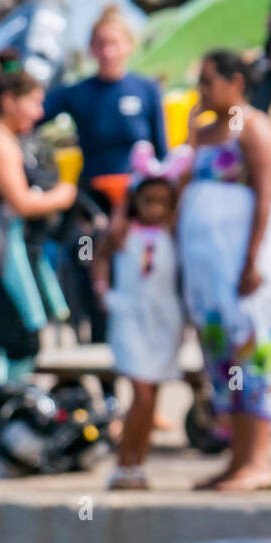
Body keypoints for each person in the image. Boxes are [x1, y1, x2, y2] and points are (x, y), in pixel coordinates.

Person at [177, 49, 271, 492]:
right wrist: (191, 130)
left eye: (208, 80)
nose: (201, 90)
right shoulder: (204, 132)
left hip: (247, 263)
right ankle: (236, 459)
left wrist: (252, 260)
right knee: (223, 358)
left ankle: (258, 461)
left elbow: (264, 194)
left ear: (236, 82)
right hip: (211, 273)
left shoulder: (252, 126)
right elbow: (180, 182)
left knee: (254, 351)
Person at [43, 4, 167, 382]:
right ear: (91, 50)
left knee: (148, 292)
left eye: (114, 43)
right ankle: (107, 394)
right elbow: (27, 114)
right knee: (99, 296)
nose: (107, 51)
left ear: (129, 46)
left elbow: (161, 156)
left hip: (138, 208)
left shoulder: (145, 90)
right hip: (93, 207)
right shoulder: (78, 94)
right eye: (99, 44)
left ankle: (147, 389)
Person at [0, 60, 76, 387]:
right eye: (35, 102)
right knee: (15, 335)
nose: (39, 113)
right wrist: (64, 195)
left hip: (4, 250)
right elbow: (22, 203)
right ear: (10, 100)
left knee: (6, 334)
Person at [92, 142, 190, 490]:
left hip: (163, 320)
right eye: (149, 201)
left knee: (154, 396)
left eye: (163, 202)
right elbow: (99, 257)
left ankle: (139, 464)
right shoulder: (122, 232)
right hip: (131, 315)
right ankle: (123, 463)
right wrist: (103, 290)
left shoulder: (173, 232)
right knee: (142, 392)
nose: (156, 208)